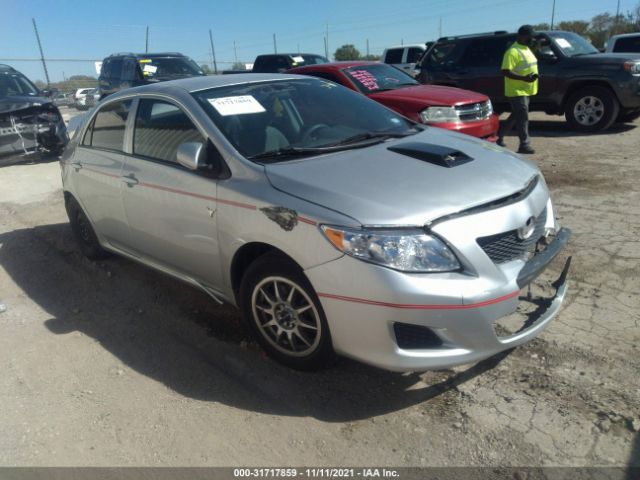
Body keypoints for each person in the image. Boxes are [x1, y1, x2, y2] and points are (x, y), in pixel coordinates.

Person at [497, 25, 539, 154]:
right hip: (516, 91)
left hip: (526, 89)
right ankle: (524, 145)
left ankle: (499, 136)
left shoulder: (526, 49)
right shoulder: (512, 52)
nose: (532, 39)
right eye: (529, 37)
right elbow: (505, 71)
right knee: (523, 117)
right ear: (521, 36)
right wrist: (523, 78)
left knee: (517, 115)